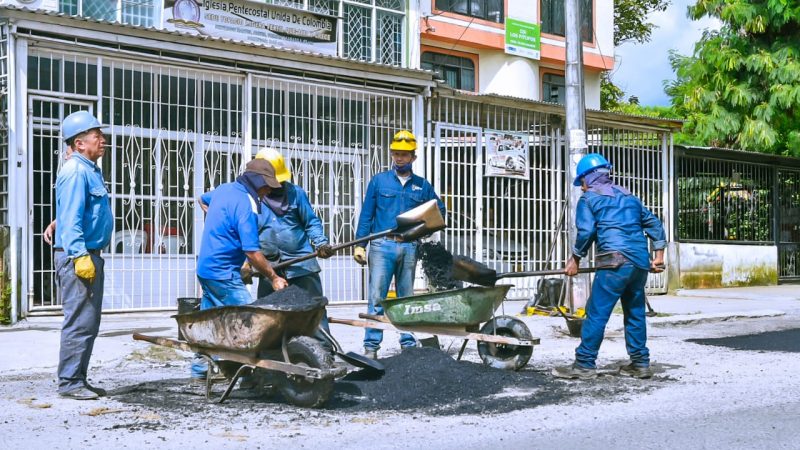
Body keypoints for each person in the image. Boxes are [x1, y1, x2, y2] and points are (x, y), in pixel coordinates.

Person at [199, 148, 335, 350]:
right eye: (270, 183)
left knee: (313, 313)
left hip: (301, 263)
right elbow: (206, 201)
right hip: (268, 265)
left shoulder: (296, 194)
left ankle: (325, 353)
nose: (275, 187)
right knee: (266, 321)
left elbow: (311, 222)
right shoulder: (248, 200)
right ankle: (272, 360)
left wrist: (321, 243)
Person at [552, 153, 666, 380]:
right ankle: (640, 364)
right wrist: (658, 255)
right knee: (635, 313)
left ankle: (584, 364)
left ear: (588, 177)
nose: (582, 188)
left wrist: (575, 258)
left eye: (582, 182)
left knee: (596, 313)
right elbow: (654, 223)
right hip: (639, 263)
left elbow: (586, 232)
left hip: (614, 262)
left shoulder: (589, 199)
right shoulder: (630, 197)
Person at [191, 158, 289, 380]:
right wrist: (273, 277)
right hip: (223, 274)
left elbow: (202, 199)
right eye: (266, 187)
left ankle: (201, 368)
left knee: (208, 321)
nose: (266, 192)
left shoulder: (224, 190)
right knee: (248, 322)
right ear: (256, 181)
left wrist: (217, 222)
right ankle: (246, 374)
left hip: (206, 269)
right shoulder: (247, 205)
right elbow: (252, 252)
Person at [353, 130, 446, 359]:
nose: (399, 158)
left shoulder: (421, 186)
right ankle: (371, 347)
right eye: (396, 153)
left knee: (407, 298)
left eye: (404, 154)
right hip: (381, 246)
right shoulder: (379, 181)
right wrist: (360, 245)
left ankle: (408, 343)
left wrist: (422, 229)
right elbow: (366, 215)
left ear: (413, 157)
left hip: (408, 247)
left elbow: (439, 211)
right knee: (377, 298)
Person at [53, 111, 114, 400]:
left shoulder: (88, 168)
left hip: (88, 253)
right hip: (80, 255)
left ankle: (78, 378)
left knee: (88, 322)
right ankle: (69, 383)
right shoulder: (76, 171)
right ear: (79, 143)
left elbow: (74, 212)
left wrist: (57, 223)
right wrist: (78, 255)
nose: (103, 141)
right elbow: (72, 216)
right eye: (96, 136)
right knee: (79, 321)